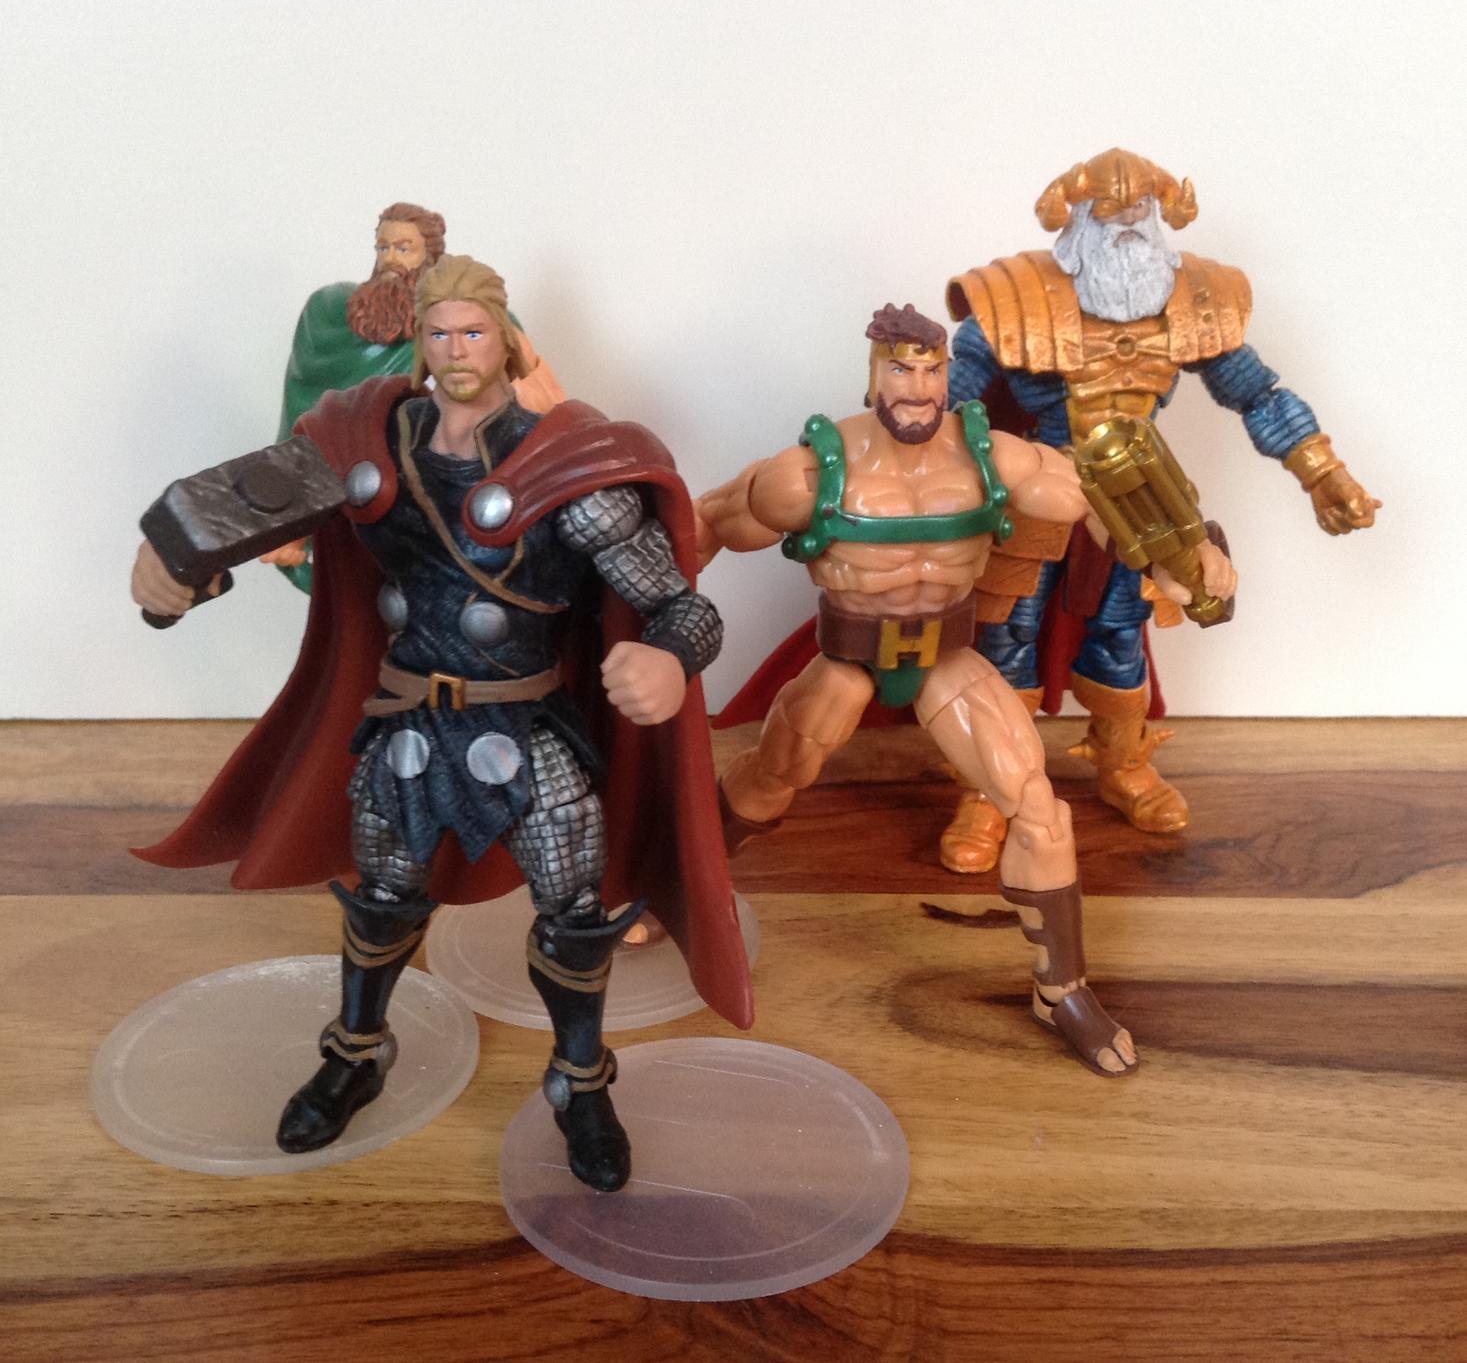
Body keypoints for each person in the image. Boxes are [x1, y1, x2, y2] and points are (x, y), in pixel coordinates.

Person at [131, 254, 750, 1190]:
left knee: (573, 909)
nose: (456, 349)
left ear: (507, 339)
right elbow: (242, 513)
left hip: (525, 726)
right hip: (409, 726)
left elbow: (681, 606)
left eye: (473, 330)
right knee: (382, 900)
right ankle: (355, 1053)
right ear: (417, 343)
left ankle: (580, 1079)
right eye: (438, 332)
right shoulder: (365, 445)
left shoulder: (565, 468)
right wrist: (176, 560)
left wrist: (667, 656)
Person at [697, 303, 1234, 1077]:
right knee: (772, 774)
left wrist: (1186, 555)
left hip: (945, 659)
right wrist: (651, 633)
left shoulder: (991, 456)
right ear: (873, 375)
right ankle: (675, 888)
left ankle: (1061, 991)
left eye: (931, 370)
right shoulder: (811, 471)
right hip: (847, 659)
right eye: (900, 369)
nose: (917, 387)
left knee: (1037, 806)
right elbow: (706, 525)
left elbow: (1104, 506)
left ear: (947, 375)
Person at [941, 148, 1379, 869]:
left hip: (1141, 495)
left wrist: (1322, 472)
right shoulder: (1010, 297)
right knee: (1006, 638)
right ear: (1075, 221)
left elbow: (1258, 393)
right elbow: (949, 405)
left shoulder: (1194, 299)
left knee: (1120, 636)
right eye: (1108, 211)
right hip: (1034, 492)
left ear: (1160, 217)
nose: (1125, 223)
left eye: (1139, 211)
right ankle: (989, 789)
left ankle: (1123, 765)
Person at [271, 203, 563, 589]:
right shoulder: (331, 320)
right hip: (369, 500)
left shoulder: (494, 330)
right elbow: (315, 433)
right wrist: (288, 521)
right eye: (383, 248)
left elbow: (545, 413)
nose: (390, 259)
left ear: (430, 255)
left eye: (404, 248)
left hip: (459, 508)